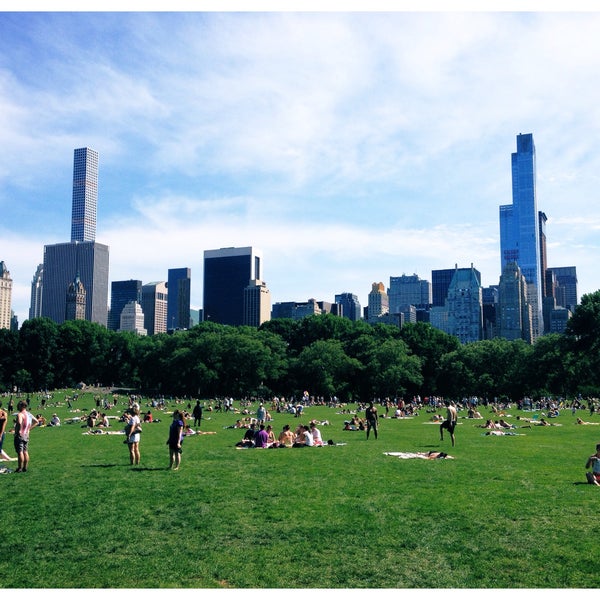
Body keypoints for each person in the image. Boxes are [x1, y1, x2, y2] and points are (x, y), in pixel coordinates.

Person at [13, 400, 39, 472]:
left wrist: (18, 431)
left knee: (20, 451)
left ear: (22, 406)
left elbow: (19, 422)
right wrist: (29, 429)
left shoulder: (20, 414)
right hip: (26, 434)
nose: (17, 406)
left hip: (20, 435)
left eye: (18, 405)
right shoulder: (29, 414)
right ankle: (25, 467)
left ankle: (20, 468)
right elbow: (37, 422)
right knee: (25, 451)